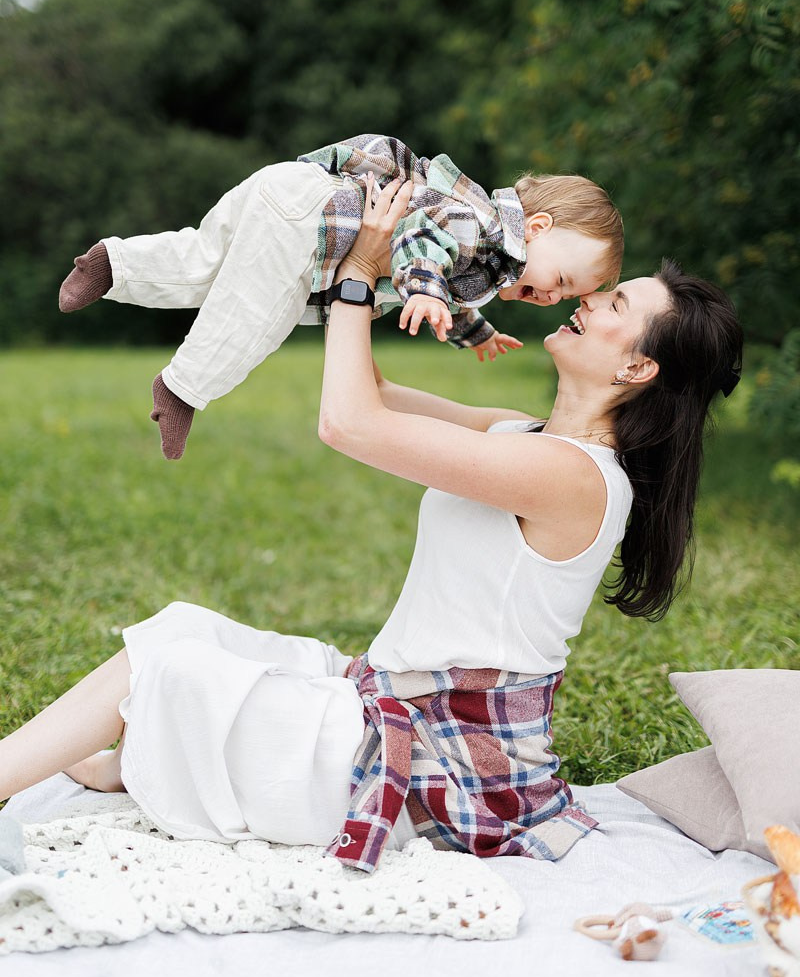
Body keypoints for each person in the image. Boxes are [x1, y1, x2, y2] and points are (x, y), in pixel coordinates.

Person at [1, 178, 742, 875]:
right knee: (186, 629)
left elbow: (349, 422)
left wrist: (359, 273)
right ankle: (125, 767)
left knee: (157, 668)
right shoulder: (522, 435)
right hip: (390, 700)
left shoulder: (571, 477)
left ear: (638, 369)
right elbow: (377, 389)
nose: (589, 302)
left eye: (615, 305)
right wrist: (383, 259)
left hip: (438, 763)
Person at [58, 133, 623, 459]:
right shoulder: (479, 224)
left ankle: (114, 262)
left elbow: (450, 284)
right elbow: (423, 239)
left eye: (566, 295)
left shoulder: (488, 249)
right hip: (310, 226)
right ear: (540, 227)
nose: (554, 298)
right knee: (259, 312)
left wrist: (474, 329)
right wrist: (422, 290)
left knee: (207, 262)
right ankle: (182, 389)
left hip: (293, 193)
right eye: (565, 281)